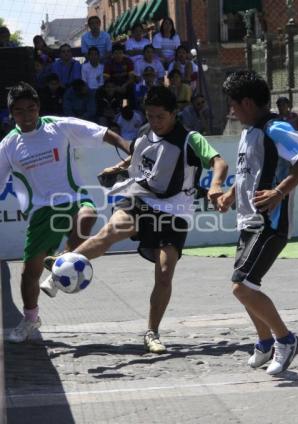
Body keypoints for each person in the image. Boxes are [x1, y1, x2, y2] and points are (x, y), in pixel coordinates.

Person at [42, 86, 228, 353]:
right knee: (108, 233)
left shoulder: (191, 138)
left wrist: (216, 186)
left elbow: (219, 163)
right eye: (150, 116)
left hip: (175, 210)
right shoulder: (145, 131)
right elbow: (138, 156)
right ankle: (60, 270)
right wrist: (116, 168)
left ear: (174, 113)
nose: (154, 122)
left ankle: (152, 333)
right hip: (141, 198)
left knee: (164, 274)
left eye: (160, 117)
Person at [0, 82, 130, 343]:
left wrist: (130, 150)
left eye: (31, 109)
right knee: (29, 274)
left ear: (38, 107)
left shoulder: (58, 126)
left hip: (73, 196)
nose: (26, 116)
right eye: (20, 111)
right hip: (41, 211)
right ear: (11, 113)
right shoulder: (8, 145)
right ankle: (30, 318)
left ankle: (61, 264)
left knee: (88, 215)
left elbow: (104, 132)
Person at [219, 70, 298, 375]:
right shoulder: (247, 131)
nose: (232, 110)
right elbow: (246, 173)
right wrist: (229, 194)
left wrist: (279, 192)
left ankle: (286, 339)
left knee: (242, 287)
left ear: (249, 103)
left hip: (270, 223)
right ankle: (265, 342)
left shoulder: (275, 128)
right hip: (247, 222)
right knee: (244, 286)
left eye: (234, 105)